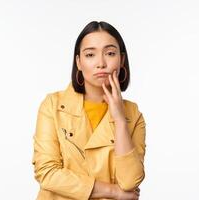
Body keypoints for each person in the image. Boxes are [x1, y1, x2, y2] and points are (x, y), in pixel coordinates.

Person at [32, 21, 146, 200]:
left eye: (110, 53)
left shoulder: (133, 114)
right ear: (78, 62)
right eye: (90, 54)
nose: (101, 63)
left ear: (121, 59)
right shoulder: (53, 106)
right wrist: (113, 192)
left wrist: (120, 120)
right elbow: (47, 173)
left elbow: (130, 182)